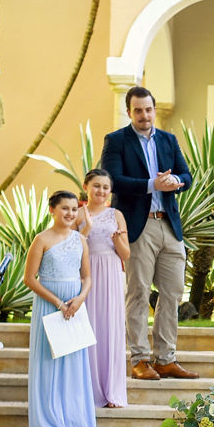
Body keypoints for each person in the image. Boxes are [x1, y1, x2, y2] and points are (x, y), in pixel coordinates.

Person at [100, 85, 198, 382]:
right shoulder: (116, 140)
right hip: (137, 226)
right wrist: (151, 185)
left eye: (148, 109)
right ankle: (140, 358)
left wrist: (175, 182)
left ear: (154, 110)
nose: (144, 115)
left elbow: (187, 175)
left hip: (169, 224)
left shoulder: (168, 140)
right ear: (129, 112)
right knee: (139, 292)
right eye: (138, 110)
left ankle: (166, 358)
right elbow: (112, 179)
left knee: (173, 293)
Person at [23, 190, 97, 427]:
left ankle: (78, 420)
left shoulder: (81, 240)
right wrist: (57, 302)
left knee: (75, 364)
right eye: (64, 208)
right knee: (49, 363)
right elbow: (29, 278)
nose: (70, 213)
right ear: (51, 210)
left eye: (74, 209)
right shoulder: (41, 239)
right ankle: (50, 423)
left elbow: (87, 277)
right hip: (49, 306)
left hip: (75, 306)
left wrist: (79, 299)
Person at [77, 169, 131, 408]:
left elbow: (126, 254)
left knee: (110, 328)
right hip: (86, 273)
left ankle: (112, 391)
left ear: (110, 191)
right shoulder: (76, 213)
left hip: (110, 272)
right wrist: (85, 228)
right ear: (86, 186)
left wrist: (118, 239)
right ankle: (87, 390)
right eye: (96, 185)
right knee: (88, 327)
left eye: (105, 187)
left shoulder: (116, 215)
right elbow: (69, 247)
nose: (101, 191)